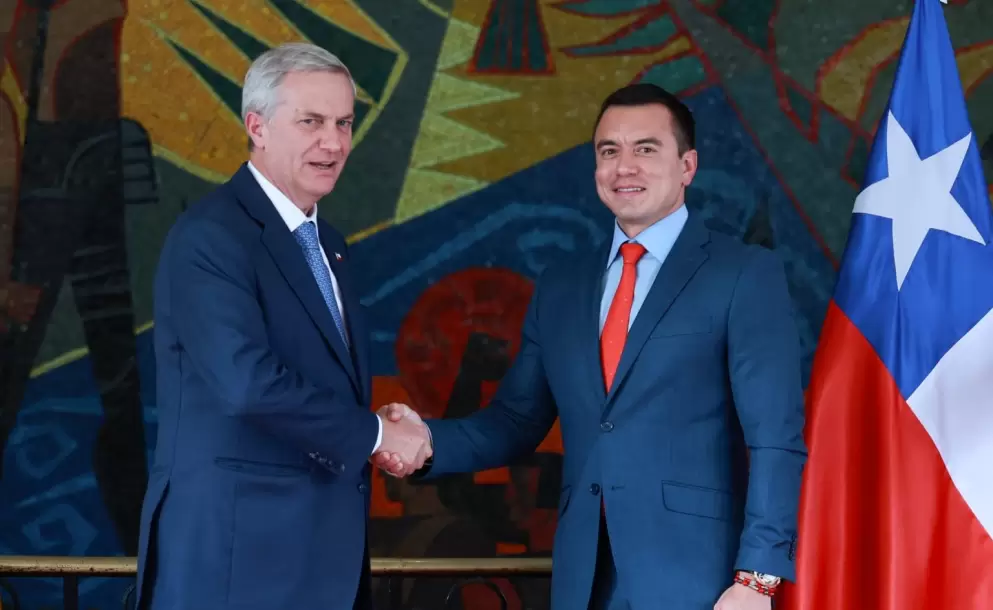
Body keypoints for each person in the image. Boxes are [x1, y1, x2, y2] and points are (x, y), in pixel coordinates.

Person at [376, 83, 807, 610]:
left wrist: (758, 579)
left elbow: (775, 439)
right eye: (609, 151)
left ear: (687, 166)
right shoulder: (561, 284)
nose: (625, 167)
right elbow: (515, 420)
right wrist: (425, 442)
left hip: (701, 581)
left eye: (645, 148)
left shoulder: (743, 273)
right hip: (584, 578)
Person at [134, 43, 431, 610]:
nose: (334, 143)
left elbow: (322, 379)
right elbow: (246, 383)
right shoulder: (210, 237)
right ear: (258, 127)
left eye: (344, 122)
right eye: (311, 122)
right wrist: (373, 434)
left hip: (318, 562)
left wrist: (375, 427)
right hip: (236, 566)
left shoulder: (328, 244)